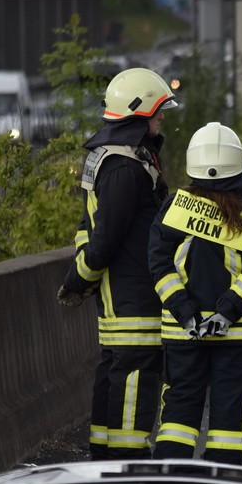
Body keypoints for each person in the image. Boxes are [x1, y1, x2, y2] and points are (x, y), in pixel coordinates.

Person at [56, 67, 176, 460]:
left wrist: (82, 279)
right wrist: (78, 280)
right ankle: (126, 469)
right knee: (135, 381)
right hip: (133, 299)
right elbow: (105, 237)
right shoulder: (125, 166)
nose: (162, 118)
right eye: (158, 112)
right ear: (138, 113)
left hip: (117, 298)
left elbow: (87, 228)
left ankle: (104, 463)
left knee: (112, 376)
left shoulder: (115, 157)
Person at [148, 121, 242, 465]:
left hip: (182, 334)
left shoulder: (174, 209)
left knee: (178, 416)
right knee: (229, 421)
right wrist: (226, 313)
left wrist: (184, 311)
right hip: (236, 335)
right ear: (238, 165)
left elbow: (158, 266)